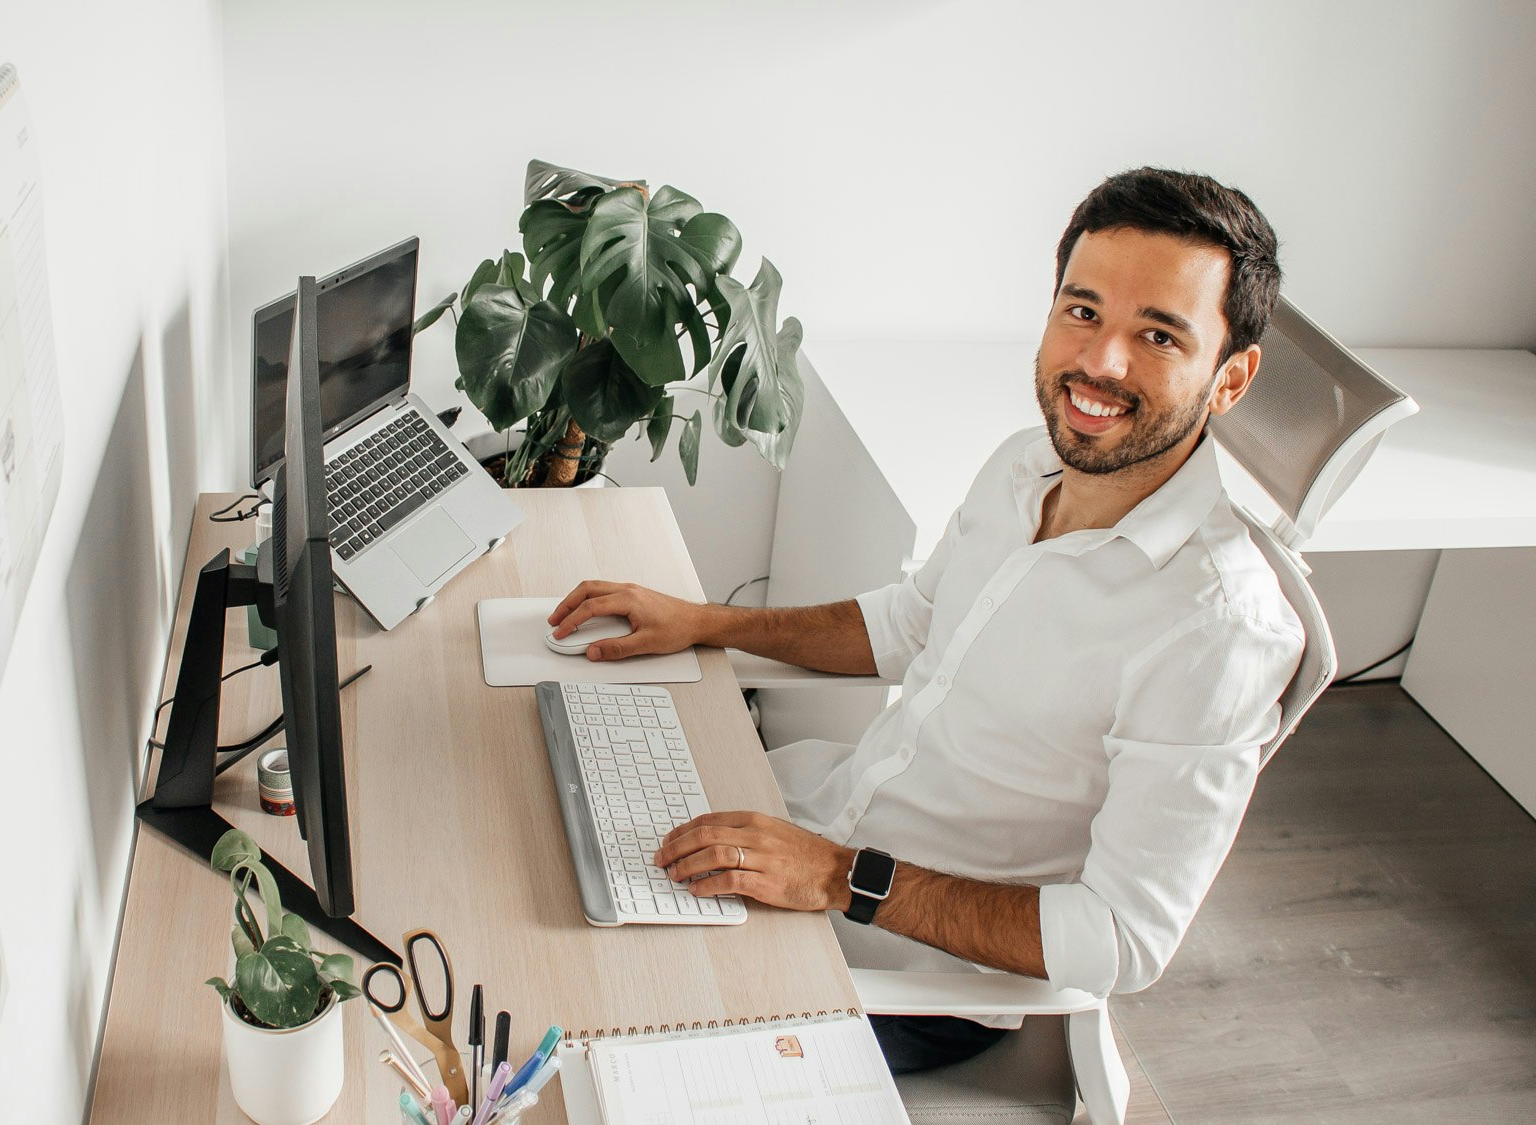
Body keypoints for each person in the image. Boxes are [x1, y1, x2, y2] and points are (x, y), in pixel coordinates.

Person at [548, 167, 1304, 1074]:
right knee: (545, 823)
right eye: (1083, 311)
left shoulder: (1218, 627)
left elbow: (1121, 939)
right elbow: (909, 624)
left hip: (903, 967)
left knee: (567, 1003)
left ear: (1232, 378)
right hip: (813, 822)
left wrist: (835, 875)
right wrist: (705, 621)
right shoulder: (1028, 466)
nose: (1100, 363)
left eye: (1158, 334)